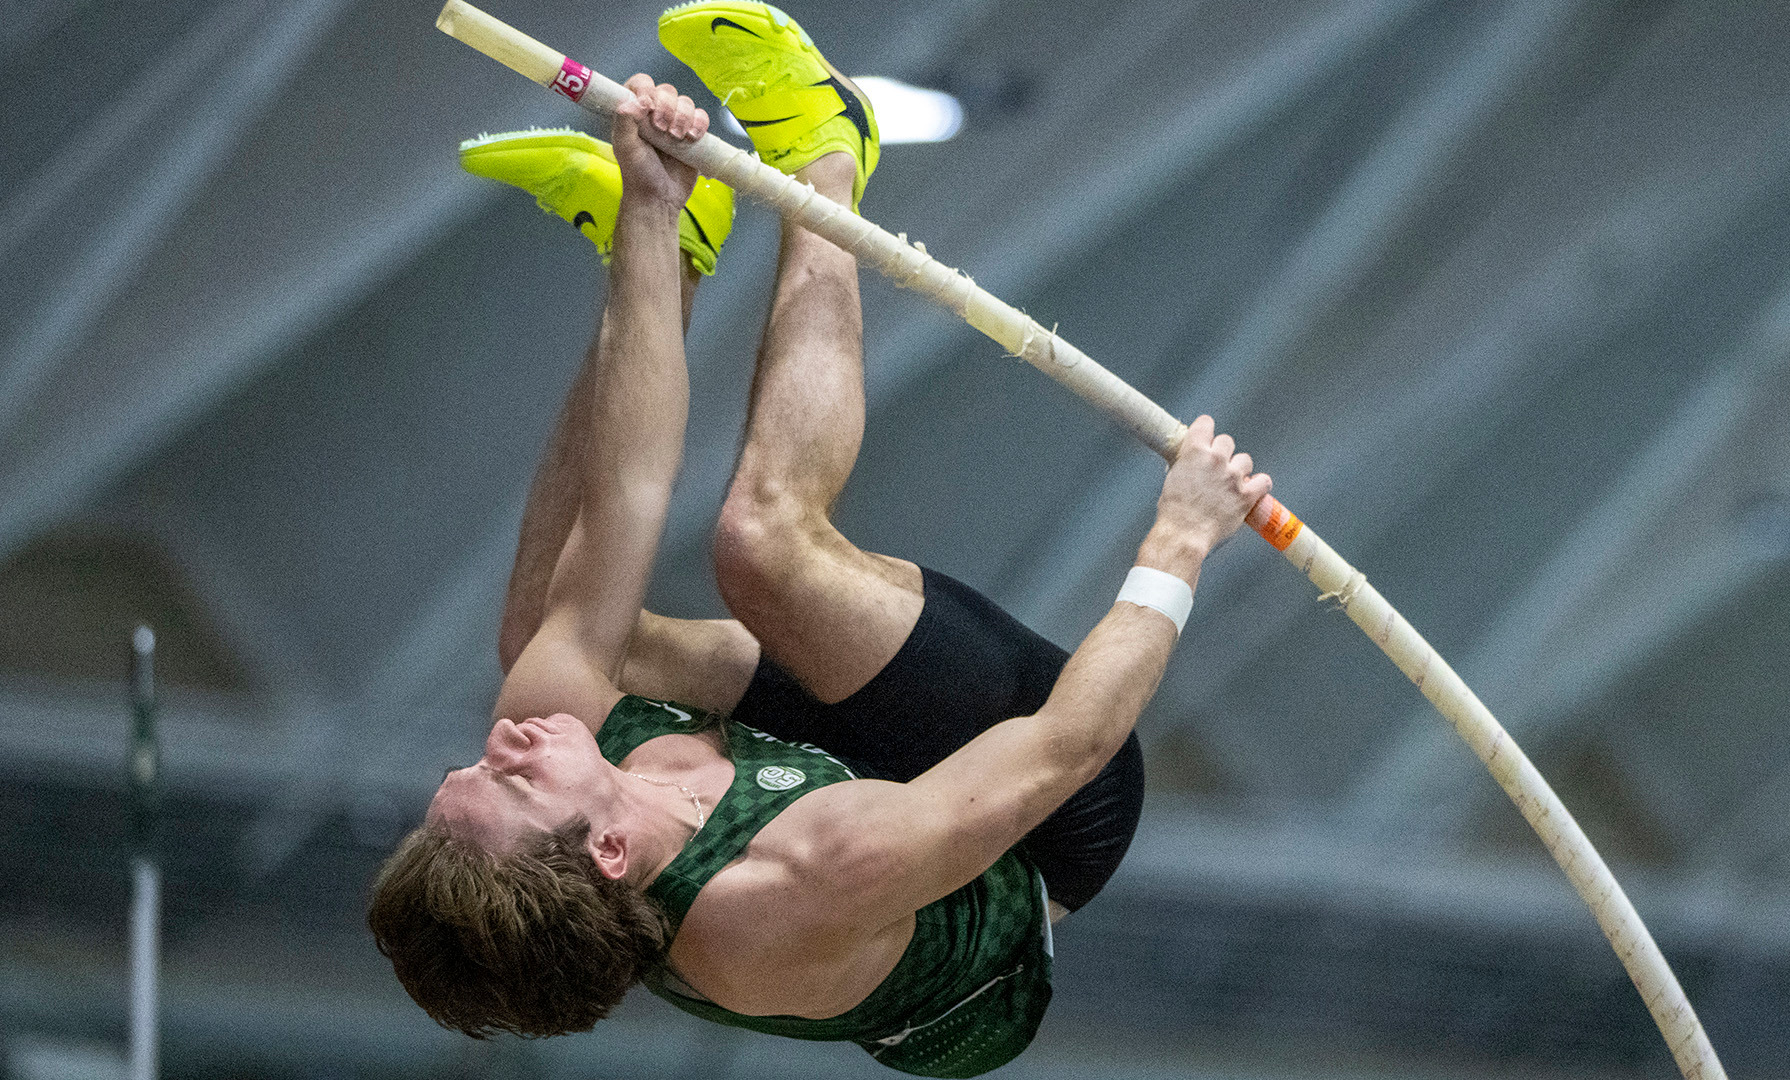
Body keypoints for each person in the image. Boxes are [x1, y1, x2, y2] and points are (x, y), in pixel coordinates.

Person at [367, 3, 1272, 1076]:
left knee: (541, 637)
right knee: (762, 544)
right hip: (1039, 826)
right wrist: (1181, 537)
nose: (503, 742)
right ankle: (826, 146)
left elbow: (629, 491)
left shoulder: (558, 747)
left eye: (467, 766)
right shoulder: (788, 894)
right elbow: (1064, 749)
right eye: (512, 783)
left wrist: (653, 228)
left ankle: (678, 240)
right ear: (607, 853)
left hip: (826, 781)